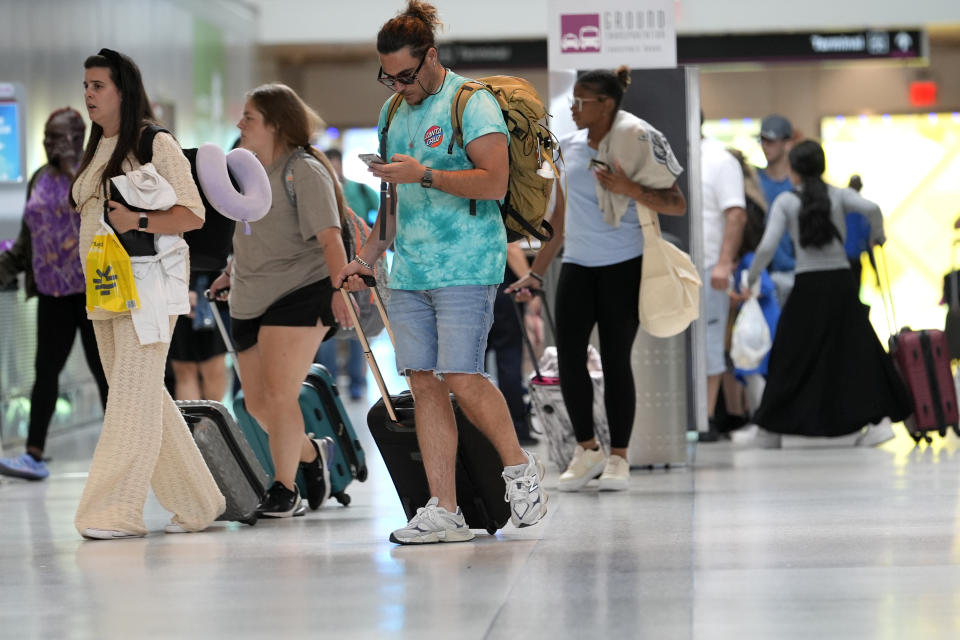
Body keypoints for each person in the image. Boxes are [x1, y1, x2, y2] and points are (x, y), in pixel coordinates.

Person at [337, 0, 547, 544]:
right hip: (408, 270)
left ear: (431, 57)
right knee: (424, 383)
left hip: (467, 264)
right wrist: (366, 258)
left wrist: (424, 174)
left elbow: (494, 182)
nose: (398, 86)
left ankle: (520, 469)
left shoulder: (470, 103)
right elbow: (392, 203)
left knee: (461, 375)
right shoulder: (391, 114)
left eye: (406, 75)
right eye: (388, 76)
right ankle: (444, 509)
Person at [70, 49, 225, 539]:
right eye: (87, 85)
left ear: (123, 90)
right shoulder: (99, 145)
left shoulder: (155, 143)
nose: (89, 94)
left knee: (131, 401)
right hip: (105, 285)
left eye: (98, 85)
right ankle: (201, 501)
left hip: (149, 286)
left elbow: (193, 214)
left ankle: (114, 511)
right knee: (139, 395)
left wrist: (136, 220)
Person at [508, 66, 687, 491]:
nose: (572, 108)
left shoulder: (637, 139)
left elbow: (675, 202)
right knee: (569, 358)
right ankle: (587, 450)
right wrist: (535, 275)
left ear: (605, 104)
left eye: (580, 101)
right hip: (577, 266)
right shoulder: (567, 147)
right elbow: (558, 220)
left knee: (615, 359)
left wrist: (629, 188)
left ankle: (620, 458)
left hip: (624, 265)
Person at [208, 83, 349, 518]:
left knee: (279, 393)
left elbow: (330, 237)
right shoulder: (248, 174)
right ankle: (311, 455)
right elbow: (249, 236)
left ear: (275, 123)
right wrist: (231, 272)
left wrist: (341, 289)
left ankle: (285, 489)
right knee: (256, 404)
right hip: (249, 295)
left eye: (249, 117)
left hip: (300, 293)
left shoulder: (303, 170)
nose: (240, 124)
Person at [745, 140, 911, 446]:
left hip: (807, 285)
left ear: (794, 171)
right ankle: (879, 422)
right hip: (841, 283)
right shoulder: (839, 195)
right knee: (858, 350)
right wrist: (879, 235)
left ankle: (770, 429)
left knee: (789, 352)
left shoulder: (786, 201)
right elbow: (872, 209)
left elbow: (767, 246)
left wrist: (750, 278)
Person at [0, 108, 109, 481]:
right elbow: (29, 240)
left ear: (78, 138)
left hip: (94, 292)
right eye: (46, 137)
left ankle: (123, 452)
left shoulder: (94, 175)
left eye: (56, 137)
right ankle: (33, 454)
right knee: (45, 373)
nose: (48, 144)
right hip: (52, 293)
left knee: (105, 373)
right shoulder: (39, 179)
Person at [167, 147, 236, 402]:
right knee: (186, 369)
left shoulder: (222, 201)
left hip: (212, 290)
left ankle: (212, 435)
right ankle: (196, 437)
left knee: (212, 368)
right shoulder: (175, 201)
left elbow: (229, 249)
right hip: (182, 290)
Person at [314, 148, 377, 401]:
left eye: (334, 163)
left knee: (355, 326)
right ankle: (329, 384)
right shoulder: (318, 195)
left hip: (358, 266)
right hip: (326, 269)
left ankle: (357, 383)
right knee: (329, 330)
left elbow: (384, 215)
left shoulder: (359, 190)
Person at [699, 120, 747, 442]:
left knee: (711, 342)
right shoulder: (666, 154)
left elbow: (736, 213)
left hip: (708, 267)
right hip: (672, 268)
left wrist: (724, 263)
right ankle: (695, 418)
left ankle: (705, 419)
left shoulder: (719, 159)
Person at [487, 241, 538, 446]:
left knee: (471, 369)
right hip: (503, 292)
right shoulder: (494, 208)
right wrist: (531, 283)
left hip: (471, 291)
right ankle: (516, 428)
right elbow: (511, 247)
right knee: (509, 359)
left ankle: (476, 428)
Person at [756, 114, 797, 306]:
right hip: (762, 276)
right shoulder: (754, 183)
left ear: (787, 143)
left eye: (771, 141)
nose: (765, 146)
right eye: (762, 140)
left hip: (796, 273)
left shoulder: (799, 185)